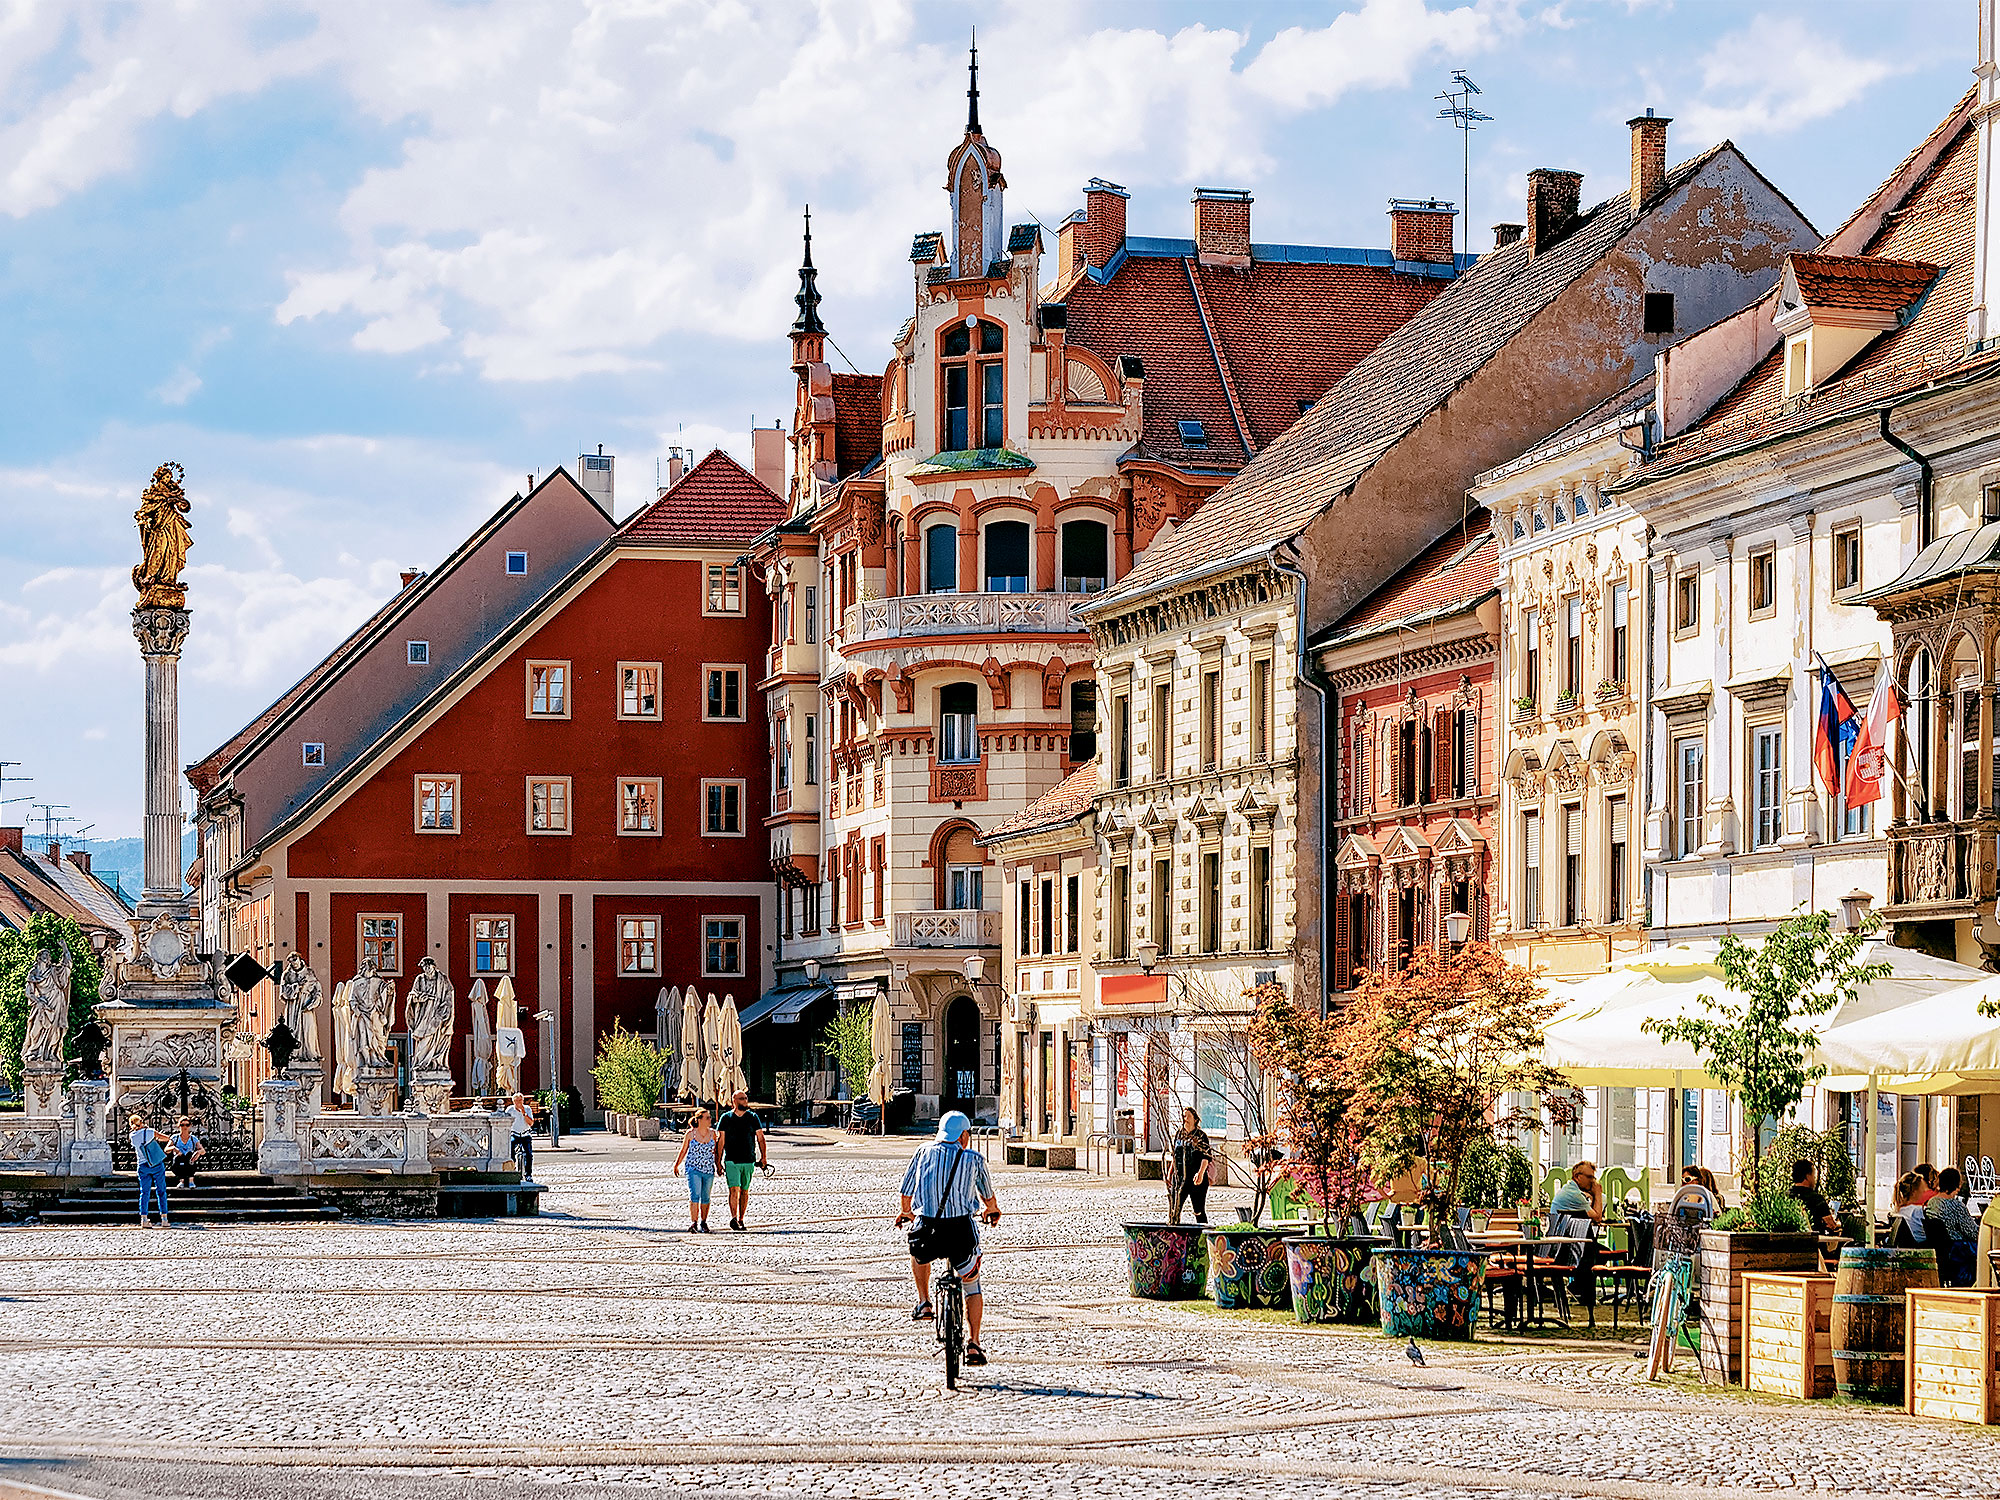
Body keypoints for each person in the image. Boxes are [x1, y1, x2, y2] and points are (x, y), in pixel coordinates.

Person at [896, 1110, 1002, 1368]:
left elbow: (906, 1191)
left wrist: (906, 1212)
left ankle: (923, 1303)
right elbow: (988, 1198)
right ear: (964, 1136)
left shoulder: (922, 1152)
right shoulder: (973, 1159)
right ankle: (974, 1344)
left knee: (917, 1251)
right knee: (972, 1284)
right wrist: (992, 1211)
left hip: (928, 1227)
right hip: (960, 1231)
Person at [1549, 1161, 1605, 1303]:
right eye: (1589, 1177)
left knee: (1596, 1251)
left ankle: (1578, 1288)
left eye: (1593, 1177)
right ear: (1578, 1176)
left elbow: (1591, 1216)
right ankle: (1581, 1291)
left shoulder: (1572, 1190)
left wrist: (1592, 1197)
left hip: (1567, 1241)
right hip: (1563, 1246)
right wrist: (1598, 1193)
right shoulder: (1573, 1194)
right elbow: (1597, 1217)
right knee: (1595, 1253)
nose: (1592, 1181)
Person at [716, 1090, 767, 1231]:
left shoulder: (753, 1117)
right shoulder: (726, 1118)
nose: (745, 1101)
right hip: (732, 1160)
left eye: (745, 1098)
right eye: (741, 1098)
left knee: (744, 1190)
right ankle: (733, 1218)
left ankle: (741, 1219)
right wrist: (718, 1161)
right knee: (734, 1189)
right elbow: (721, 1141)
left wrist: (763, 1157)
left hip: (749, 1159)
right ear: (734, 1101)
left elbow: (760, 1138)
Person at [674, 1108, 720, 1233]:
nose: (710, 1120)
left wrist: (719, 1165)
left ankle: (703, 1222)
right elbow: (683, 1150)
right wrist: (677, 1164)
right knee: (695, 1195)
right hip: (693, 1169)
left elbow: (716, 1152)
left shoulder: (713, 1134)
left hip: (708, 1169)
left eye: (710, 1117)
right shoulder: (690, 1134)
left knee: (706, 1197)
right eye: (707, 1118)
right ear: (699, 1120)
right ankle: (693, 1222)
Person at [1170, 1108, 1213, 1225]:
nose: (1185, 1119)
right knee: (1175, 1209)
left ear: (1195, 1119)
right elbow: (1174, 1156)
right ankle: (1175, 1237)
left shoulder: (1200, 1136)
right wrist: (1170, 1175)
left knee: (1198, 1210)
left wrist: (1200, 1173)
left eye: (1187, 1116)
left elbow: (1206, 1157)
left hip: (1196, 1179)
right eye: (1183, 1116)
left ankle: (1202, 1236)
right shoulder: (1179, 1134)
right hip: (1179, 1178)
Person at [130, 1114, 171, 1229]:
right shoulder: (150, 1132)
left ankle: (144, 1218)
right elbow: (166, 1138)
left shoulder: (132, 1136)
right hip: (156, 1163)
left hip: (142, 1165)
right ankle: (164, 1218)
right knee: (161, 1191)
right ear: (141, 1122)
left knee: (144, 1192)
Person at [1790, 1158, 1838, 1234]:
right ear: (1807, 1176)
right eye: (1813, 1176)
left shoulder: (1785, 1197)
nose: (1814, 1179)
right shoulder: (1816, 1199)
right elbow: (1831, 1224)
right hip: (1813, 1242)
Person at [165, 1117, 204, 1189]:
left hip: (189, 1162)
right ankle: (182, 1180)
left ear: (190, 1126)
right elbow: (166, 1149)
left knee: (189, 1156)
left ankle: (191, 1180)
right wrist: (174, 1148)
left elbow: (202, 1150)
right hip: (178, 1162)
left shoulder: (193, 1138)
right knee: (180, 1158)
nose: (185, 1127)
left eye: (187, 1125)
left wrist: (198, 1152)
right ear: (179, 1126)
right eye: (182, 1125)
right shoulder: (175, 1137)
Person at [1892, 1170, 1929, 1246]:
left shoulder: (1897, 1211)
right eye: (1922, 1191)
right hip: (1921, 1247)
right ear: (1914, 1193)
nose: (1923, 1193)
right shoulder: (1917, 1211)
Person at [504, 1092, 536, 1180]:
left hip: (525, 1134)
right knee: (511, 1149)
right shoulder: (509, 1110)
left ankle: (528, 1174)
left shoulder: (527, 1108)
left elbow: (531, 1123)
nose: (519, 1102)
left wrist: (524, 1113)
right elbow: (505, 1122)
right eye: (517, 1101)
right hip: (515, 1133)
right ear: (513, 1101)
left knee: (528, 1154)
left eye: (521, 1100)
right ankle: (512, 1169)